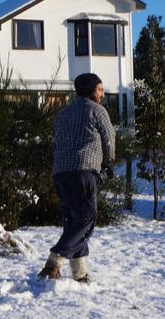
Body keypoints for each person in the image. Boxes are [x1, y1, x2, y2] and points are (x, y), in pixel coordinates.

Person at [38, 73, 115, 283]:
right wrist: (108, 162)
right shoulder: (97, 110)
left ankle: (79, 273)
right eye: (100, 89)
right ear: (91, 91)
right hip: (84, 171)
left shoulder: (63, 113)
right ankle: (53, 261)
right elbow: (109, 139)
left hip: (61, 172)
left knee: (73, 220)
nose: (103, 94)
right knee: (86, 218)